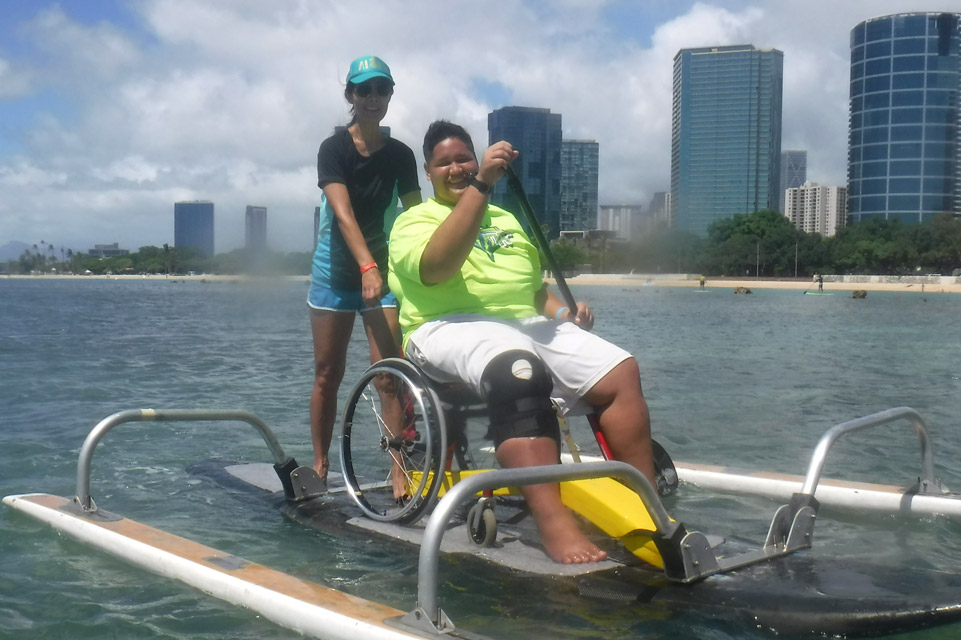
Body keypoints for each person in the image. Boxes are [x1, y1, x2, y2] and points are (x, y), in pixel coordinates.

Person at [388, 121, 657, 564]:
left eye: (464, 159)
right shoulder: (412, 221)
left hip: (523, 322)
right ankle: (555, 526)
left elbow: (532, 289)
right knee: (518, 369)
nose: (456, 168)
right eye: (445, 163)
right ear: (428, 171)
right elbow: (437, 268)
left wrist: (563, 314)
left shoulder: (506, 219)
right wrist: (480, 186)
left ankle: (645, 509)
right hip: (444, 325)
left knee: (619, 369)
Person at [307, 56, 421, 484]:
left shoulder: (401, 155)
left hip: (383, 274)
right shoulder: (333, 149)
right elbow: (343, 214)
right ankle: (319, 464)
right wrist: (366, 266)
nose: (373, 98)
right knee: (327, 373)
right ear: (350, 96)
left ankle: (398, 468)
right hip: (336, 272)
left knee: (389, 376)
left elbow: (415, 216)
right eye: (364, 90)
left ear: (390, 94)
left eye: (381, 90)